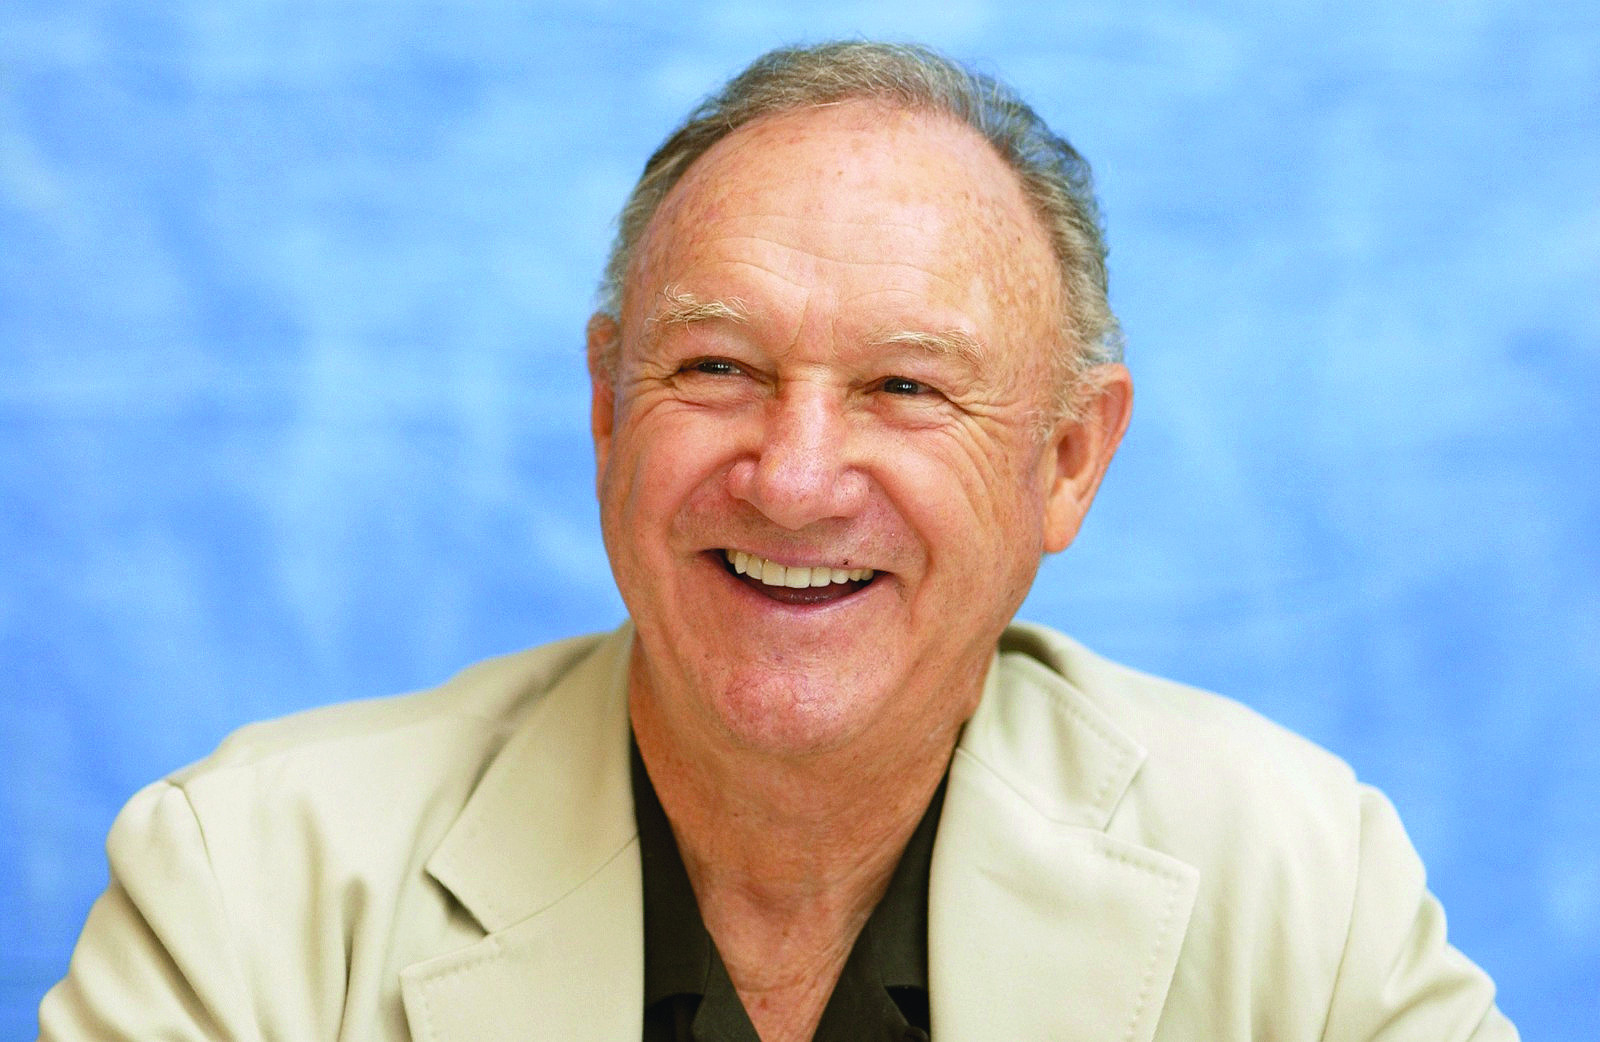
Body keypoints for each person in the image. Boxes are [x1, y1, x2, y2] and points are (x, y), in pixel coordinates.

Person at [40, 41, 1516, 1042]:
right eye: (717, 369)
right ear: (608, 411)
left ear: (1069, 461)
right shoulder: (245, 887)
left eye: (906, 388)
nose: (796, 480)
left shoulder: (1300, 885)